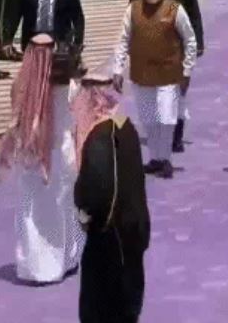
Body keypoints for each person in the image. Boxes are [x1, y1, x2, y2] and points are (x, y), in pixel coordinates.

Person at [0, 33, 83, 283]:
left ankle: (36, 267)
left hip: (34, 157)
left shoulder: (21, 87)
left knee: (32, 213)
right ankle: (65, 260)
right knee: (63, 208)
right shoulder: (70, 87)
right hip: (61, 155)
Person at [73, 71, 150, 323]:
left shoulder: (99, 136)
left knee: (102, 306)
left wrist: (84, 215)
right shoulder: (124, 124)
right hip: (133, 229)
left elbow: (97, 192)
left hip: (108, 236)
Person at [113, 0, 197, 179]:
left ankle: (165, 158)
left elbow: (190, 40)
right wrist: (117, 69)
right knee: (149, 119)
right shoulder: (133, 9)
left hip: (169, 74)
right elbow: (123, 40)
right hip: (141, 74)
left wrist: (187, 70)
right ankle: (155, 159)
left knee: (166, 118)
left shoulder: (175, 9)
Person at [130, 0, 205, 152]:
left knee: (177, 92)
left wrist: (198, 42)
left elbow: (194, 13)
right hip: (151, 45)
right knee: (153, 90)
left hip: (176, 46)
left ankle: (176, 136)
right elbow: (133, 13)